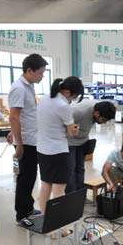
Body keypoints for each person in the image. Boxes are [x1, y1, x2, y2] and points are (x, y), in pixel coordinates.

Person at [34, 76, 84, 217]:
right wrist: (75, 129)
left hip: (42, 149)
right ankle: (57, 223)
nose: (72, 100)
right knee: (59, 189)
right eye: (74, 97)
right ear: (67, 92)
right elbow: (71, 132)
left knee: (46, 185)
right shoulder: (63, 106)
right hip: (58, 152)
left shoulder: (45, 97)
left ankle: (45, 217)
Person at [7, 53, 47, 226]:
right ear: (30, 70)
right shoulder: (19, 88)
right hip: (26, 141)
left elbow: (22, 115)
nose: (42, 76)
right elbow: (13, 116)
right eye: (40, 72)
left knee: (30, 176)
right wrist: (19, 144)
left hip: (31, 138)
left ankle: (28, 207)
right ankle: (21, 214)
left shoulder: (28, 86)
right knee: (25, 178)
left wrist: (12, 132)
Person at [66, 99, 117, 193]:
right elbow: (62, 124)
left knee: (80, 169)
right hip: (69, 143)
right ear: (97, 113)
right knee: (70, 171)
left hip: (82, 142)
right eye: (104, 120)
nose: (104, 122)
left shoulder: (98, 109)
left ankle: (80, 195)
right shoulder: (78, 111)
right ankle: (71, 196)